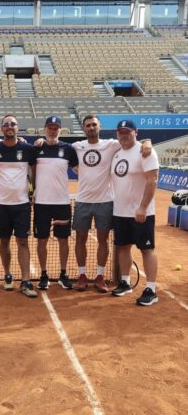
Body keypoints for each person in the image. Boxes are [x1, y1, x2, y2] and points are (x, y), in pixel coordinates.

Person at [72, 116, 152, 293]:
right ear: (83, 128)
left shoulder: (111, 144)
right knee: (80, 239)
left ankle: (100, 276)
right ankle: (82, 275)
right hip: (83, 201)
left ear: (99, 126)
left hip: (105, 202)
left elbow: (132, 140)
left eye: (94, 124)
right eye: (88, 125)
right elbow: (57, 148)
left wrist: (147, 142)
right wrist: (39, 141)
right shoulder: (76, 147)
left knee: (103, 240)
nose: (91, 127)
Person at [0, 115, 37, 298]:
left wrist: (33, 190)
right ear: (1, 129)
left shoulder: (28, 149)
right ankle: (7, 274)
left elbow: (34, 170)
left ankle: (25, 280)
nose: (10, 127)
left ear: (18, 127)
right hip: (1, 204)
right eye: (6, 124)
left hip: (22, 204)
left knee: (22, 241)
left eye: (13, 124)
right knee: (4, 240)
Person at [110, 120, 159, 306]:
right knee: (123, 247)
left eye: (127, 132)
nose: (123, 135)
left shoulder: (145, 151)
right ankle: (125, 282)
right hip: (120, 211)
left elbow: (152, 180)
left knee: (147, 249)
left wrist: (143, 207)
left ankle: (151, 289)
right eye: (120, 132)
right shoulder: (116, 153)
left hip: (141, 213)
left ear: (135, 132)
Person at [33, 116, 78, 291]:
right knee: (41, 240)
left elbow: (79, 168)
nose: (53, 130)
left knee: (63, 240)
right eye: (50, 127)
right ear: (45, 129)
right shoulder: (36, 148)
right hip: (41, 203)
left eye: (56, 127)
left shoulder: (68, 149)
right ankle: (43, 275)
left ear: (60, 130)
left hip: (62, 203)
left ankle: (63, 274)